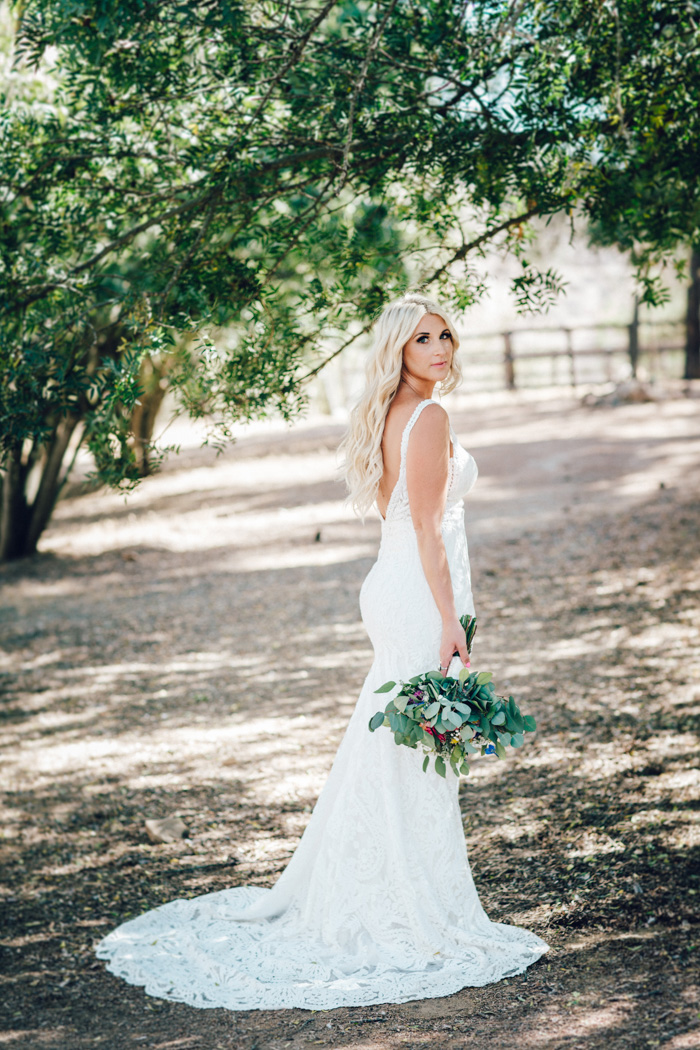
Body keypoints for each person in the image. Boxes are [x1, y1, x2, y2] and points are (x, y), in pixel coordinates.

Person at [95, 293, 548, 1010]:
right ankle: (399, 901)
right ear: (398, 350)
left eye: (446, 336)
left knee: (397, 747)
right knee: (411, 748)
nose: (440, 349)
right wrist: (449, 619)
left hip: (397, 585)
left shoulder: (393, 414)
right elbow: (428, 529)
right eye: (423, 339)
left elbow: (397, 516)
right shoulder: (428, 417)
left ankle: (383, 883)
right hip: (415, 596)